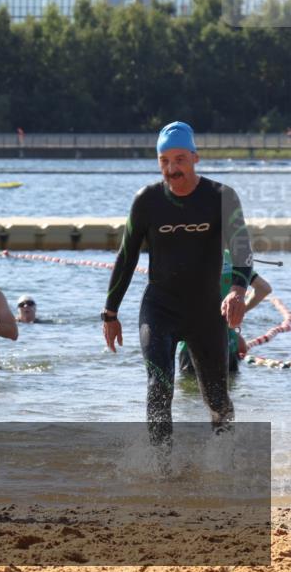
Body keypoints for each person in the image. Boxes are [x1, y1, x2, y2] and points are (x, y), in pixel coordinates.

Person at [101, 121, 253, 446]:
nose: (172, 169)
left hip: (207, 313)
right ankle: (161, 471)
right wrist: (110, 314)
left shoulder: (221, 197)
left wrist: (238, 292)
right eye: (164, 161)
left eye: (180, 159)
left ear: (196, 157)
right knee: (159, 388)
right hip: (159, 309)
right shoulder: (147, 201)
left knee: (218, 400)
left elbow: (242, 250)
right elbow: (126, 257)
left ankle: (225, 465)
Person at [178, 256, 271, 374]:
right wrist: (235, 313)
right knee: (227, 389)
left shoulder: (186, 253)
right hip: (227, 342)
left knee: (189, 389)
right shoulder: (233, 258)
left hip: (191, 345)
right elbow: (264, 288)